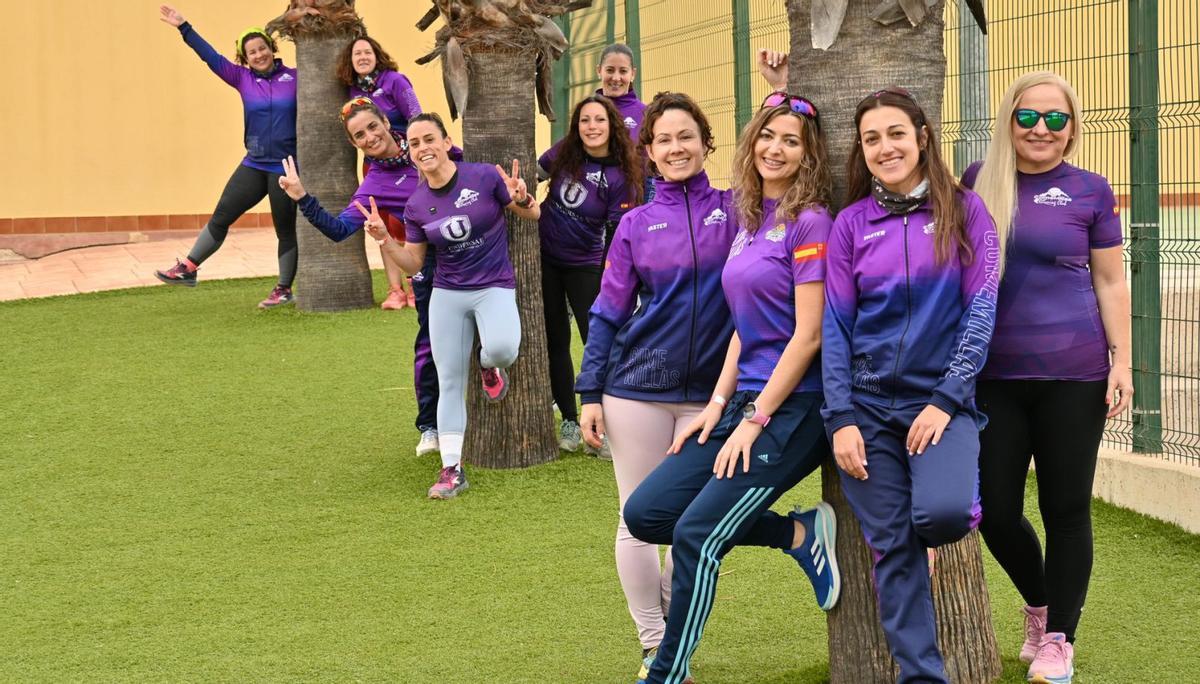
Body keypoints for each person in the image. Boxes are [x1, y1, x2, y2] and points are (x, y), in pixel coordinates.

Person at [623, 65, 842, 684]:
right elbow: (745, 326)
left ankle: (666, 672)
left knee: (697, 534)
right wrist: (719, 406)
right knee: (647, 514)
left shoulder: (811, 222)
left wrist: (756, 418)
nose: (775, 148)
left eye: (791, 141)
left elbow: (809, 335)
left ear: (808, 155)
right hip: (743, 400)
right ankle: (797, 534)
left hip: (793, 409)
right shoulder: (752, 217)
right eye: (767, 135)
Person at [822, 87, 1000, 684]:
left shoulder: (966, 210)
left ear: (922, 136)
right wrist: (841, 418)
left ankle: (941, 500)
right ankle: (922, 676)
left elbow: (981, 309)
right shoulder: (851, 225)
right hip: (867, 410)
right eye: (871, 138)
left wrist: (947, 400)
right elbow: (836, 328)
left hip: (942, 405)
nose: (885, 148)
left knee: (943, 516)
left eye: (896, 133)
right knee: (894, 546)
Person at [962, 71, 1131, 684]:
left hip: (1074, 375)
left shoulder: (1090, 190)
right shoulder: (977, 181)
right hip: (992, 376)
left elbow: (1110, 280)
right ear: (1009, 121)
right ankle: (1039, 607)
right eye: (1028, 116)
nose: (1041, 128)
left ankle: (1060, 637)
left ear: (1072, 127)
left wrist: (1122, 361)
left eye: (1056, 118)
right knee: (994, 510)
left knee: (1066, 509)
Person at [576, 91, 738, 682]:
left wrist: (780, 88)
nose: (676, 148)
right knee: (637, 519)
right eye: (663, 139)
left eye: (686, 136)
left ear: (706, 143)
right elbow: (608, 311)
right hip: (635, 393)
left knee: (699, 522)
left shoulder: (738, 210)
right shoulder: (635, 224)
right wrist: (590, 392)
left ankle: (671, 625)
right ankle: (655, 645)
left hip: (715, 397)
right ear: (648, 151)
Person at [292, 112, 535, 499]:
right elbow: (413, 262)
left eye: (429, 140)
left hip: (493, 286)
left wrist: (522, 197)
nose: (423, 148)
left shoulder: (484, 175)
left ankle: (488, 364)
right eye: (417, 143)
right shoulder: (414, 203)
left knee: (504, 349)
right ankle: (452, 469)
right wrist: (384, 239)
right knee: (448, 379)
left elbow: (532, 213)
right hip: (446, 292)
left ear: (446, 142)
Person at [276, 97, 442, 458]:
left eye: (372, 126)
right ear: (354, 144)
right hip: (428, 267)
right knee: (429, 349)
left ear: (386, 122)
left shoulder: (424, 145)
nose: (369, 137)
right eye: (359, 135)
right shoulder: (375, 184)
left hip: (471, 257)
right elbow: (338, 230)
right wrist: (302, 197)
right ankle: (430, 426)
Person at [153, 4, 298, 309]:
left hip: (285, 167)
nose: (258, 55)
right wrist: (184, 27)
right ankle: (188, 269)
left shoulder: (296, 77)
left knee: (285, 230)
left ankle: (284, 289)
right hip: (254, 163)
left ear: (272, 48)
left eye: (262, 48)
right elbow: (210, 57)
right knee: (221, 216)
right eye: (251, 52)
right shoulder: (241, 78)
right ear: (245, 58)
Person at [537, 95, 642, 453]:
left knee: (595, 340)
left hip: (586, 265)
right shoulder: (565, 151)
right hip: (545, 259)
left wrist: (606, 280)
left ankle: (602, 426)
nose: (591, 127)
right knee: (555, 339)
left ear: (612, 125)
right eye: (585, 120)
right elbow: (535, 172)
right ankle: (569, 420)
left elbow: (616, 235)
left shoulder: (622, 173)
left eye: (599, 120)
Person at [337, 35, 422, 311]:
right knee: (381, 226)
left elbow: (416, 115)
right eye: (357, 54)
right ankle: (395, 290)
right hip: (375, 168)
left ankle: (414, 283)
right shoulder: (352, 91)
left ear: (377, 54)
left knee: (406, 224)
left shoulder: (395, 81)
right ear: (350, 61)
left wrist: (417, 151)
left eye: (367, 52)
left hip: (406, 161)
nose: (363, 57)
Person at [595, 43, 657, 231]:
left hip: (633, 208)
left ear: (633, 74)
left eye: (623, 71)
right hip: (594, 208)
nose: (616, 78)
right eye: (610, 70)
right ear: (599, 71)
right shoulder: (587, 112)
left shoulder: (646, 114)